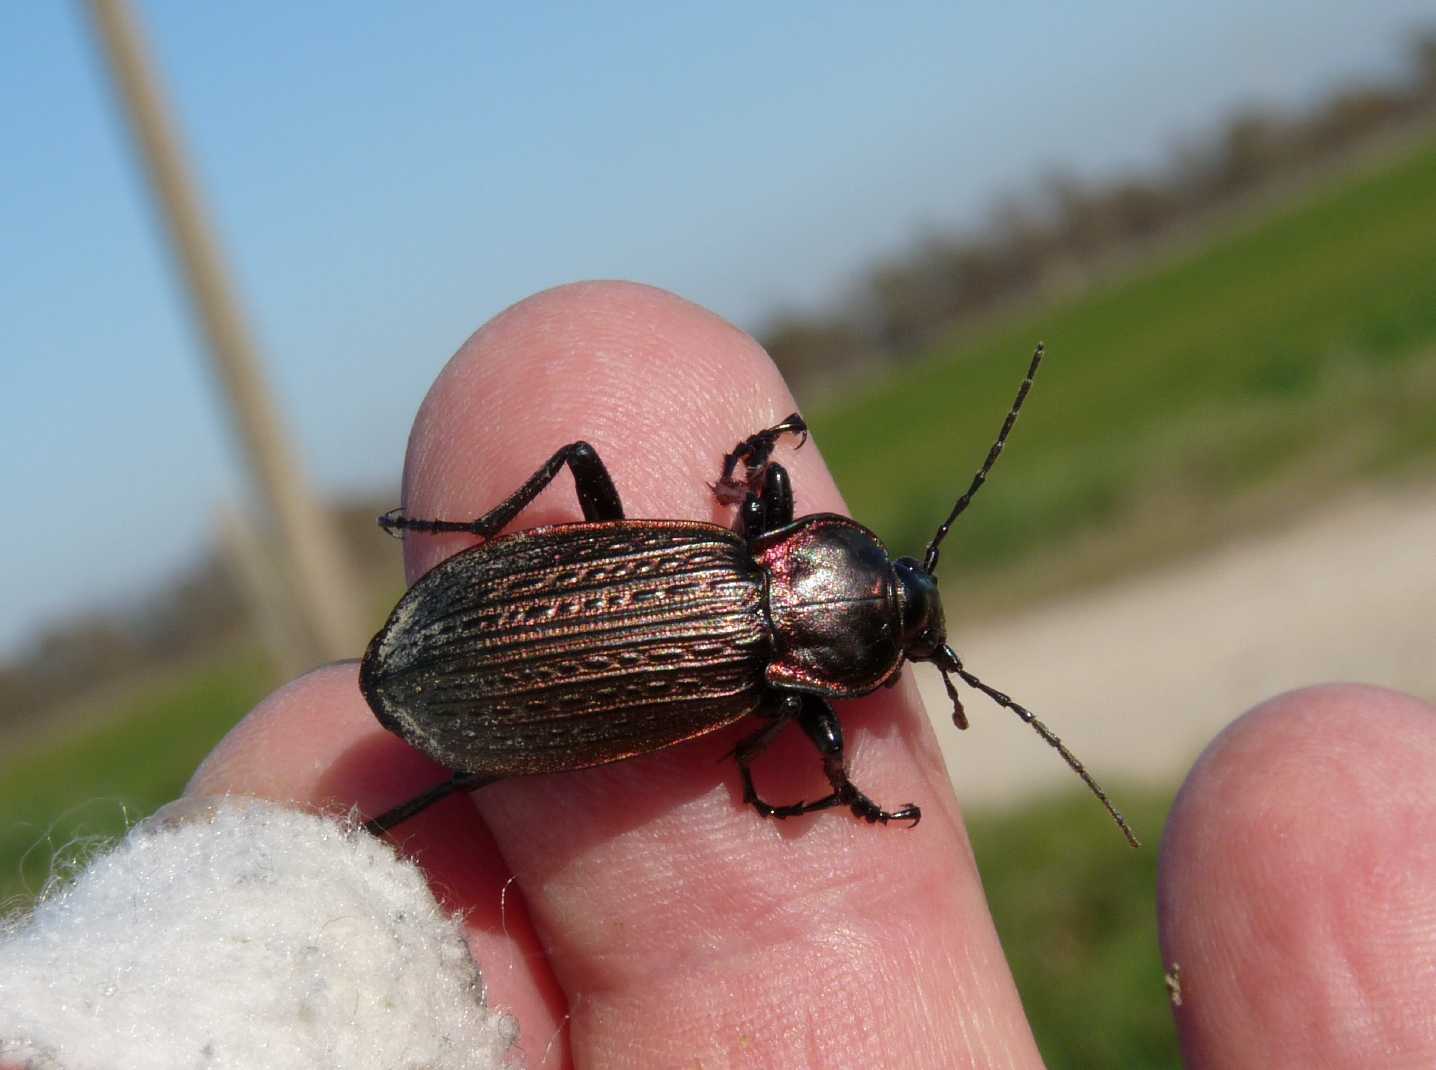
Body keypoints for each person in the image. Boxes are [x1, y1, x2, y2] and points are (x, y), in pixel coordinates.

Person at [188, 281, 1436, 1067]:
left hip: (480, 624)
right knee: (482, 766)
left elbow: (743, 476)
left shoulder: (757, 528)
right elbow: (815, 750)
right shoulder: (773, 694)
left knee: (568, 469)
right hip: (477, 651)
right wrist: (834, 788)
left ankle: (455, 553)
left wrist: (753, 455)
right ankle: (440, 614)